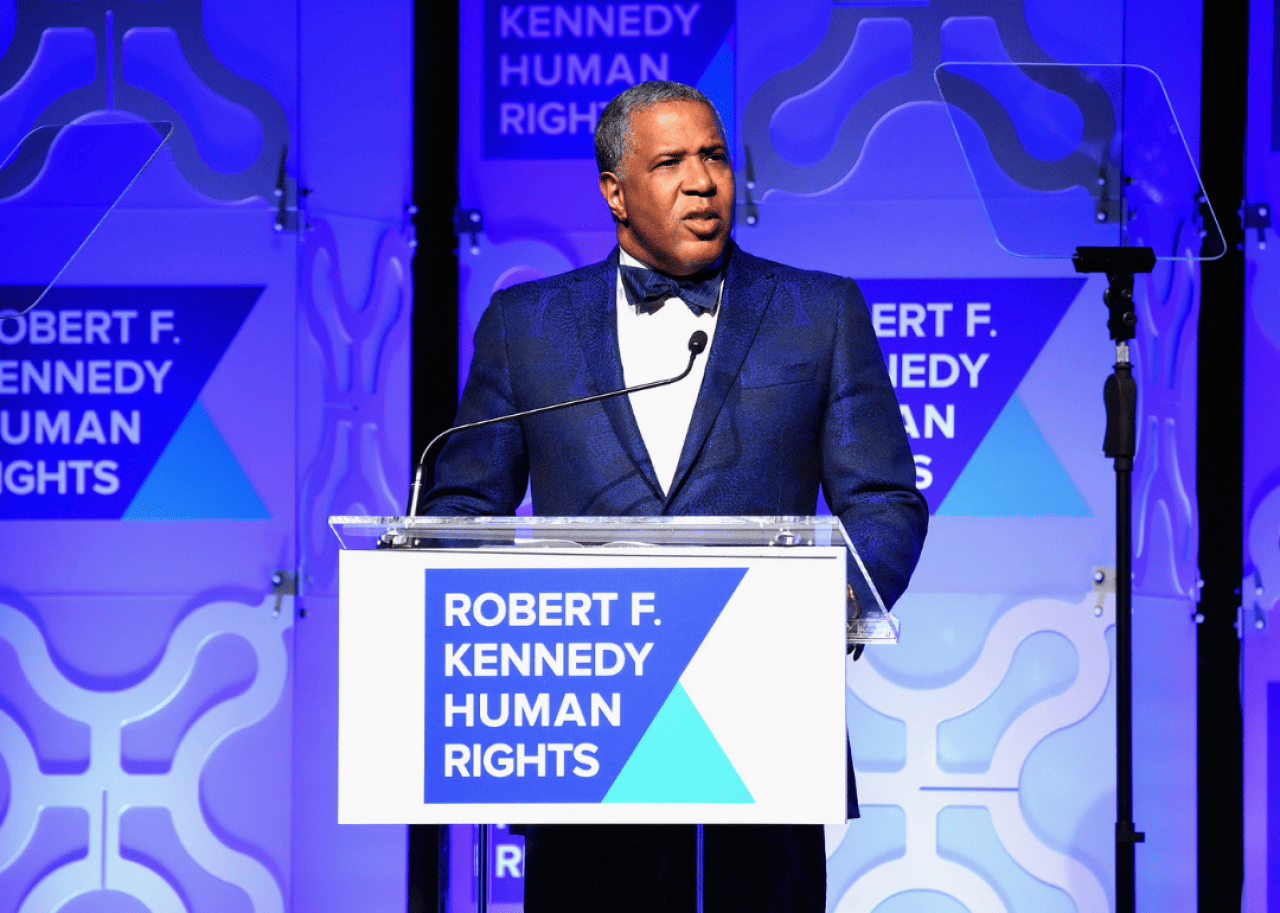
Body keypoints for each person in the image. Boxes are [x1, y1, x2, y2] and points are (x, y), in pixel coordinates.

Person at [422, 80, 927, 913]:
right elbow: (459, 510)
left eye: (715, 156)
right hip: (578, 736)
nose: (703, 180)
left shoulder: (818, 312)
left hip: (760, 735)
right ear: (615, 193)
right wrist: (489, 615)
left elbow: (883, 502)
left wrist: (826, 608)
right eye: (670, 162)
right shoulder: (526, 324)